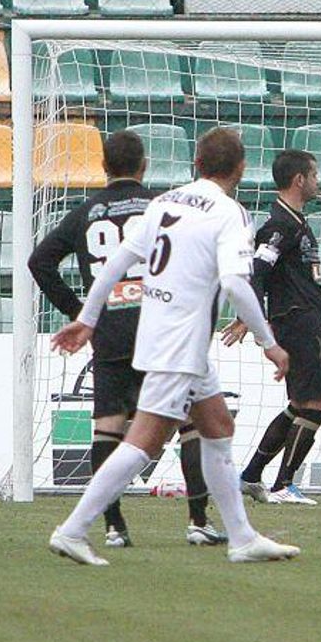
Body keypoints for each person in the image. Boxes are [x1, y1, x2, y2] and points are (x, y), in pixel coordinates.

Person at [48, 127, 300, 566]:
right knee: (143, 442)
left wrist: (87, 319)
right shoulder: (229, 212)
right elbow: (237, 285)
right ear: (241, 169)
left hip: (163, 333)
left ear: (196, 164)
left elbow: (118, 263)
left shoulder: (164, 202)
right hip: (180, 343)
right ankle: (72, 529)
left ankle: (242, 538)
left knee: (218, 426)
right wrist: (269, 343)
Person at [28, 129, 222, 548]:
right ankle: (198, 520)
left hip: (110, 326)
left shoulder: (85, 212)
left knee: (108, 427)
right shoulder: (160, 208)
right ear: (144, 165)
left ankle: (114, 527)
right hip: (159, 323)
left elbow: (39, 261)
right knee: (189, 424)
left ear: (103, 167)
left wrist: (80, 313)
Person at [222, 149, 321, 506]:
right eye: (314, 175)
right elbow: (258, 271)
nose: (317, 182)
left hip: (301, 319)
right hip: (297, 321)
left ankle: (251, 476)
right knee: (318, 404)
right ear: (300, 179)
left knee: (300, 405)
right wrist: (245, 317)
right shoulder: (280, 227)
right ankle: (284, 484)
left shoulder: (293, 222)